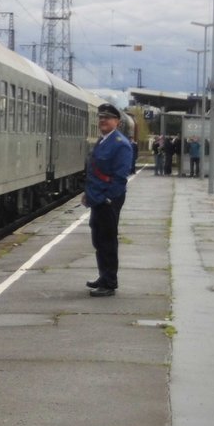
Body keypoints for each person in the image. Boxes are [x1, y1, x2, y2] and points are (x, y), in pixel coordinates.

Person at [83, 103, 134, 297]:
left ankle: (110, 282)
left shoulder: (120, 144)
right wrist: (88, 194)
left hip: (107, 201)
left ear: (117, 122)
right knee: (99, 239)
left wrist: (108, 199)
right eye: (101, 117)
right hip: (98, 198)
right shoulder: (104, 140)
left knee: (107, 241)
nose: (103, 120)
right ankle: (103, 276)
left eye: (107, 118)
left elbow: (120, 177)